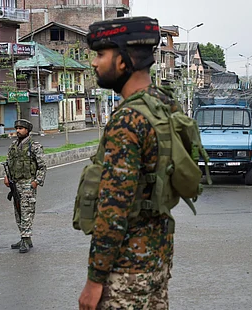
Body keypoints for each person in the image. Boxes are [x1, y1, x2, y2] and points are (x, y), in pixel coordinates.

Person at [78, 17, 179, 310]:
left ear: (123, 61)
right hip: (157, 259)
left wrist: (94, 280)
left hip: (126, 271)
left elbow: (114, 207)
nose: (95, 63)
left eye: (101, 54)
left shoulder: (127, 120)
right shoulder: (164, 104)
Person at [4, 119, 46, 253]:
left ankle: (25, 238)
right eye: (17, 128)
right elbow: (8, 162)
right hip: (15, 184)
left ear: (27, 130)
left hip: (28, 183)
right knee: (18, 212)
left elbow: (42, 166)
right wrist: (6, 177)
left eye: (21, 128)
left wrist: (36, 182)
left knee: (27, 211)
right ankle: (25, 239)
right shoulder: (13, 146)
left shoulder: (34, 146)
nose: (18, 130)